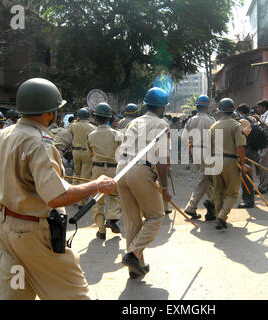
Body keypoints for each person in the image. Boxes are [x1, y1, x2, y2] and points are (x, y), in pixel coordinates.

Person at [0, 78, 116, 300]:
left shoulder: (4, 135)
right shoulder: (39, 141)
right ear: (51, 112)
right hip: (33, 235)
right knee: (73, 293)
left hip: (7, 228)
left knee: (15, 291)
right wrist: (97, 185)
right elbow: (58, 197)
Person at [116, 87, 171, 278]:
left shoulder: (134, 122)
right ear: (162, 107)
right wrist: (164, 188)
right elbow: (162, 159)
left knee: (132, 221)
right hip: (139, 169)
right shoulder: (162, 124)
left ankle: (135, 267)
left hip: (121, 167)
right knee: (156, 216)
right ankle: (132, 254)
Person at [210, 98, 250, 230]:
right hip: (230, 161)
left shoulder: (213, 126)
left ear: (220, 111)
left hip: (215, 161)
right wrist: (243, 164)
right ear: (232, 110)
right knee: (232, 192)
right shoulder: (236, 125)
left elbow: (209, 149)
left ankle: (219, 217)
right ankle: (222, 216)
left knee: (218, 191)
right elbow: (240, 147)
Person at [87, 103, 123, 240]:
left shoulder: (91, 135)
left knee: (97, 199)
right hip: (114, 169)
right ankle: (112, 218)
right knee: (115, 195)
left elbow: (90, 153)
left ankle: (101, 230)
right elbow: (122, 153)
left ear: (96, 118)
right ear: (109, 118)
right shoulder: (117, 134)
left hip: (97, 169)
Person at [181, 95, 216, 221]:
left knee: (204, 179)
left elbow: (184, 138)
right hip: (207, 151)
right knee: (205, 180)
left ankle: (214, 205)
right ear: (207, 107)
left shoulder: (190, 120)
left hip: (195, 150)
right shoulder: (211, 120)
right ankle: (191, 206)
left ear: (197, 106)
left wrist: (192, 144)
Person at [69, 107, 96, 208]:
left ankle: (73, 198)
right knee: (85, 176)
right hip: (86, 152)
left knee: (76, 173)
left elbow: (70, 132)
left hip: (75, 151)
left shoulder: (73, 125)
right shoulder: (92, 127)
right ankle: (82, 201)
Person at [235, 103, 259, 209]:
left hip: (246, 150)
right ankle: (247, 198)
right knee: (245, 175)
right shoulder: (251, 119)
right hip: (251, 148)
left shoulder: (242, 122)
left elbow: (241, 140)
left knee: (245, 175)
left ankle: (249, 200)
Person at [253, 100, 268, 194]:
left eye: (259, 107)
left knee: (263, 164)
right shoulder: (262, 116)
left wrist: (258, 120)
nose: (257, 109)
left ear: (264, 107)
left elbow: (266, 126)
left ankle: (262, 187)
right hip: (263, 142)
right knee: (267, 164)